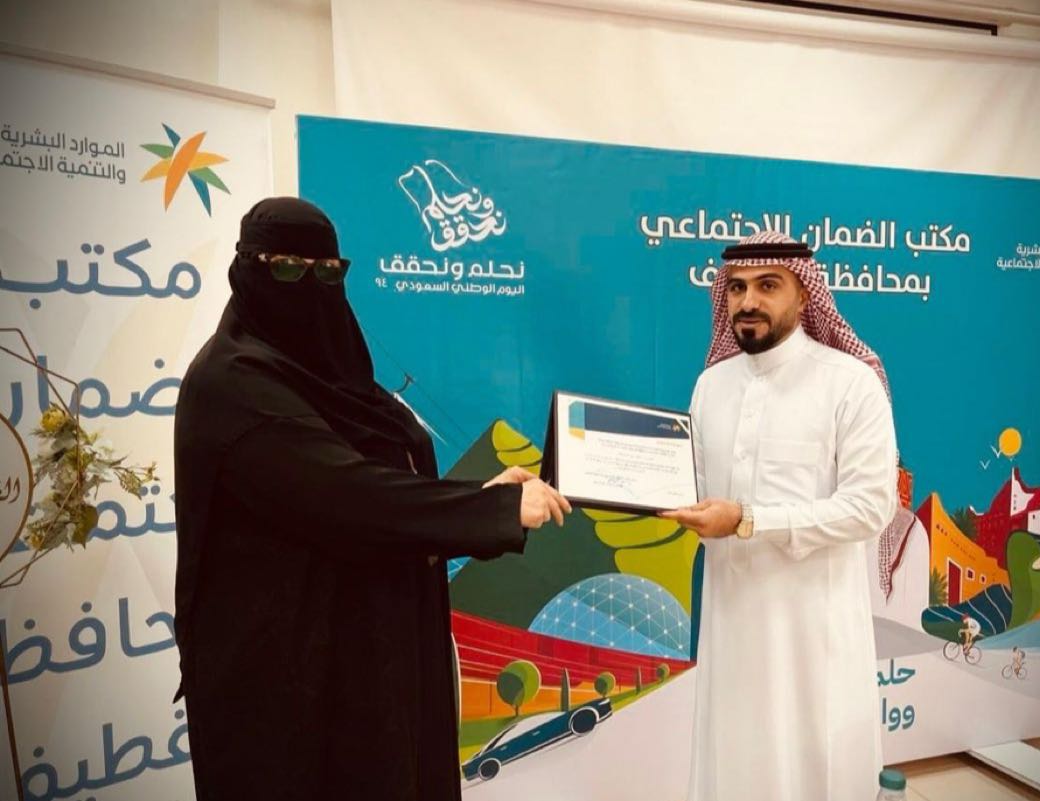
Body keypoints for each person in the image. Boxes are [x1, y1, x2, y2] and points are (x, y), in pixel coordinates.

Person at [173, 197, 569, 801]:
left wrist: (479, 494)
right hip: (285, 680)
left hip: (367, 658)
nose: (309, 288)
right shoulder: (231, 383)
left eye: (328, 273)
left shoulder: (334, 378)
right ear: (247, 270)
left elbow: (376, 484)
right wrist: (489, 511)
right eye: (286, 269)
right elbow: (343, 494)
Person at [661, 230, 898, 801]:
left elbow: (871, 506)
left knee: (812, 771)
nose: (748, 301)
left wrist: (748, 520)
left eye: (768, 286)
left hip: (813, 639)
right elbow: (691, 489)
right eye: (737, 288)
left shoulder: (851, 383)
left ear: (804, 294)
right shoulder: (711, 386)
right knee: (733, 768)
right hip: (731, 628)